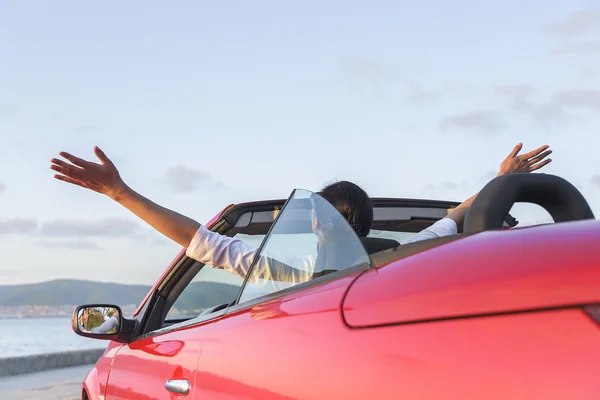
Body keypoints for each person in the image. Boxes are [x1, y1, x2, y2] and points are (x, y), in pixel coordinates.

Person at [50, 143, 551, 291]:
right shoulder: (402, 257)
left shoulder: (291, 274)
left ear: (318, 224)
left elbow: (197, 240)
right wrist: (500, 180)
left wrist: (120, 193)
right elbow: (458, 217)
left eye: (317, 216)